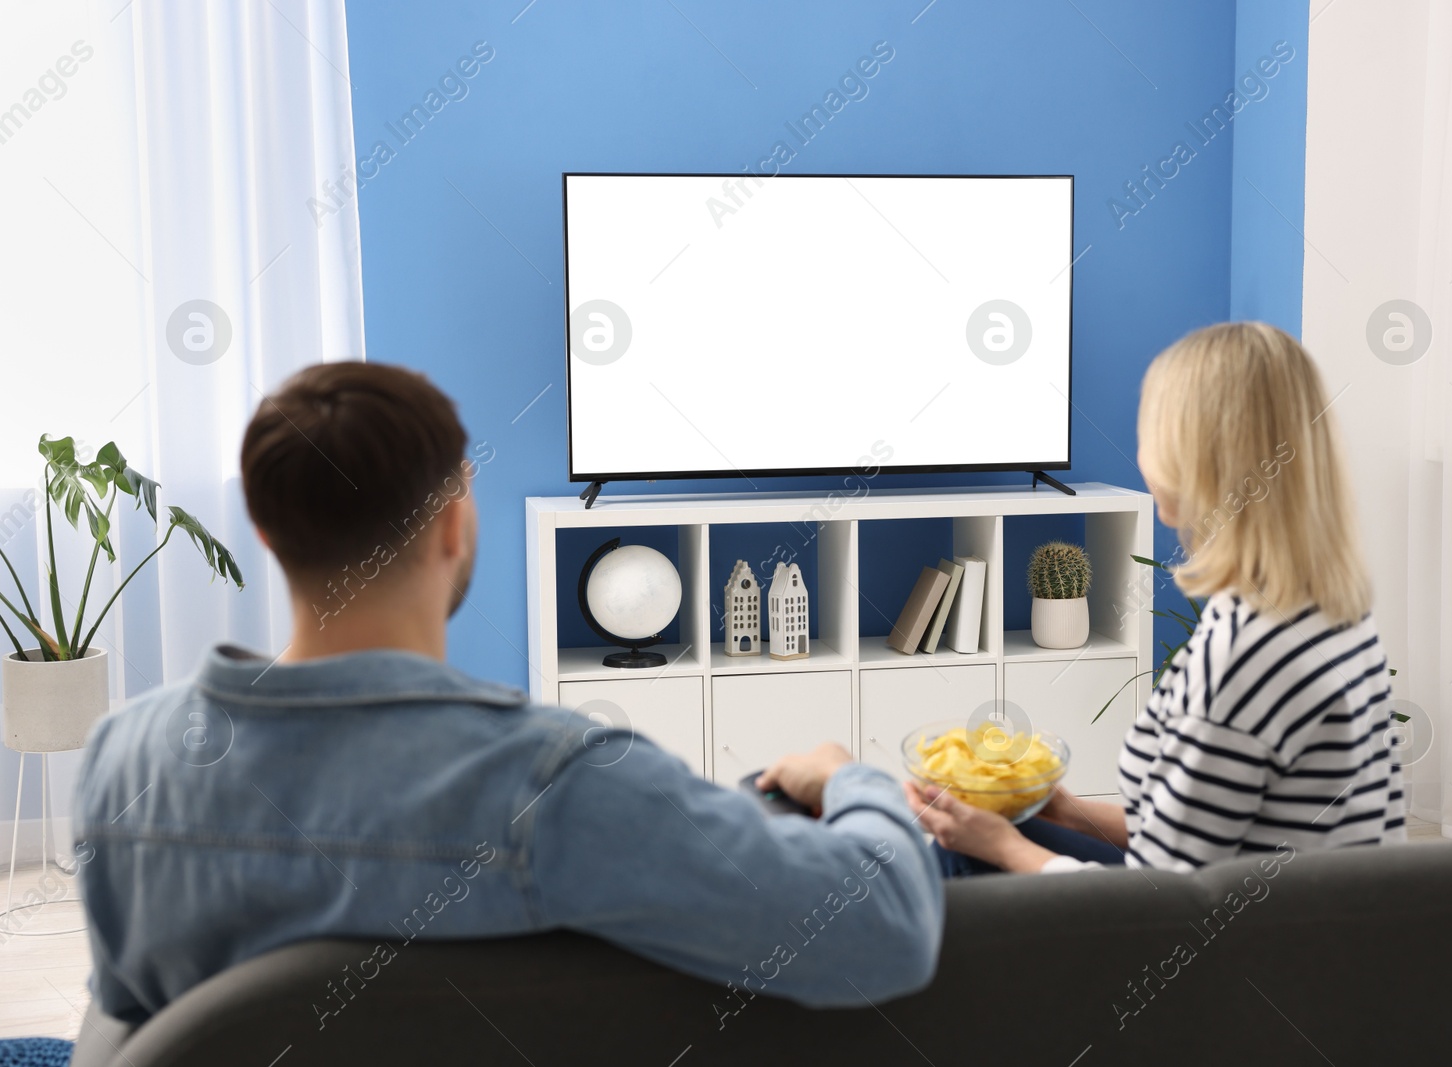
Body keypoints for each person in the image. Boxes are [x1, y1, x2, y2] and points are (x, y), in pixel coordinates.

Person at [72, 362, 943, 1023]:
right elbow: (887, 929)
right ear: (454, 520)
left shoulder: (122, 759)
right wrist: (849, 781)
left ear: (263, 530)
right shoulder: (559, 780)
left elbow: (133, 1016)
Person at [910, 321, 1405, 875]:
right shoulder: (1324, 609)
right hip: (1304, 924)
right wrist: (1066, 812)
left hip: (1236, 951)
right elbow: (1198, 836)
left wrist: (1001, 847)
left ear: (1195, 457)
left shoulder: (1243, 656)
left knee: (962, 858)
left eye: (1149, 431)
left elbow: (1159, 907)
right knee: (1005, 833)